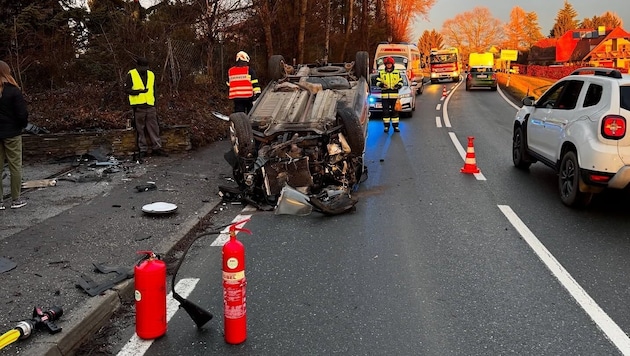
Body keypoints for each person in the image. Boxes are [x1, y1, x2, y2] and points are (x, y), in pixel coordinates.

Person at [125, 57, 166, 159]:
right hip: (138, 107)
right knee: (140, 129)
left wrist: (155, 103)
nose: (144, 69)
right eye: (142, 67)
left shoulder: (151, 74)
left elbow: (154, 90)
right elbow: (127, 90)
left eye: (146, 67)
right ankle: (142, 149)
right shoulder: (131, 74)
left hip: (150, 106)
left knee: (154, 128)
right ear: (138, 66)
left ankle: (157, 147)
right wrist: (139, 91)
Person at [0, 60, 28, 209]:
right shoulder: (13, 91)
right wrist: (21, 125)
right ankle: (16, 199)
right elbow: (22, 113)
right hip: (12, 132)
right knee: (15, 166)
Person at [376, 56, 403, 133]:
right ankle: (386, 127)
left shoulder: (397, 72)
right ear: (385, 65)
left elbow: (401, 82)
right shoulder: (381, 73)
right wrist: (381, 85)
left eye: (389, 64)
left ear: (392, 64)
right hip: (385, 96)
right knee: (385, 112)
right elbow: (377, 82)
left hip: (394, 95)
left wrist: (398, 86)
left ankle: (396, 127)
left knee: (395, 112)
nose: (388, 65)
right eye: (387, 64)